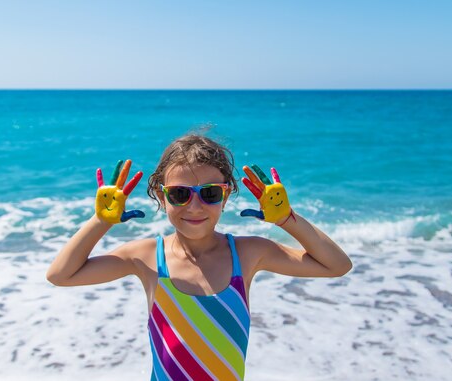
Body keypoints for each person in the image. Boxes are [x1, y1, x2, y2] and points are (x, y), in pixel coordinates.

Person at [46, 134, 352, 381]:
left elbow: (337, 265)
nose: (194, 207)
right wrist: (100, 222)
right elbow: (61, 275)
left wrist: (287, 219)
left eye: (209, 194)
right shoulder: (147, 256)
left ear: (227, 194)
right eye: (180, 194)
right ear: (161, 195)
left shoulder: (248, 253)